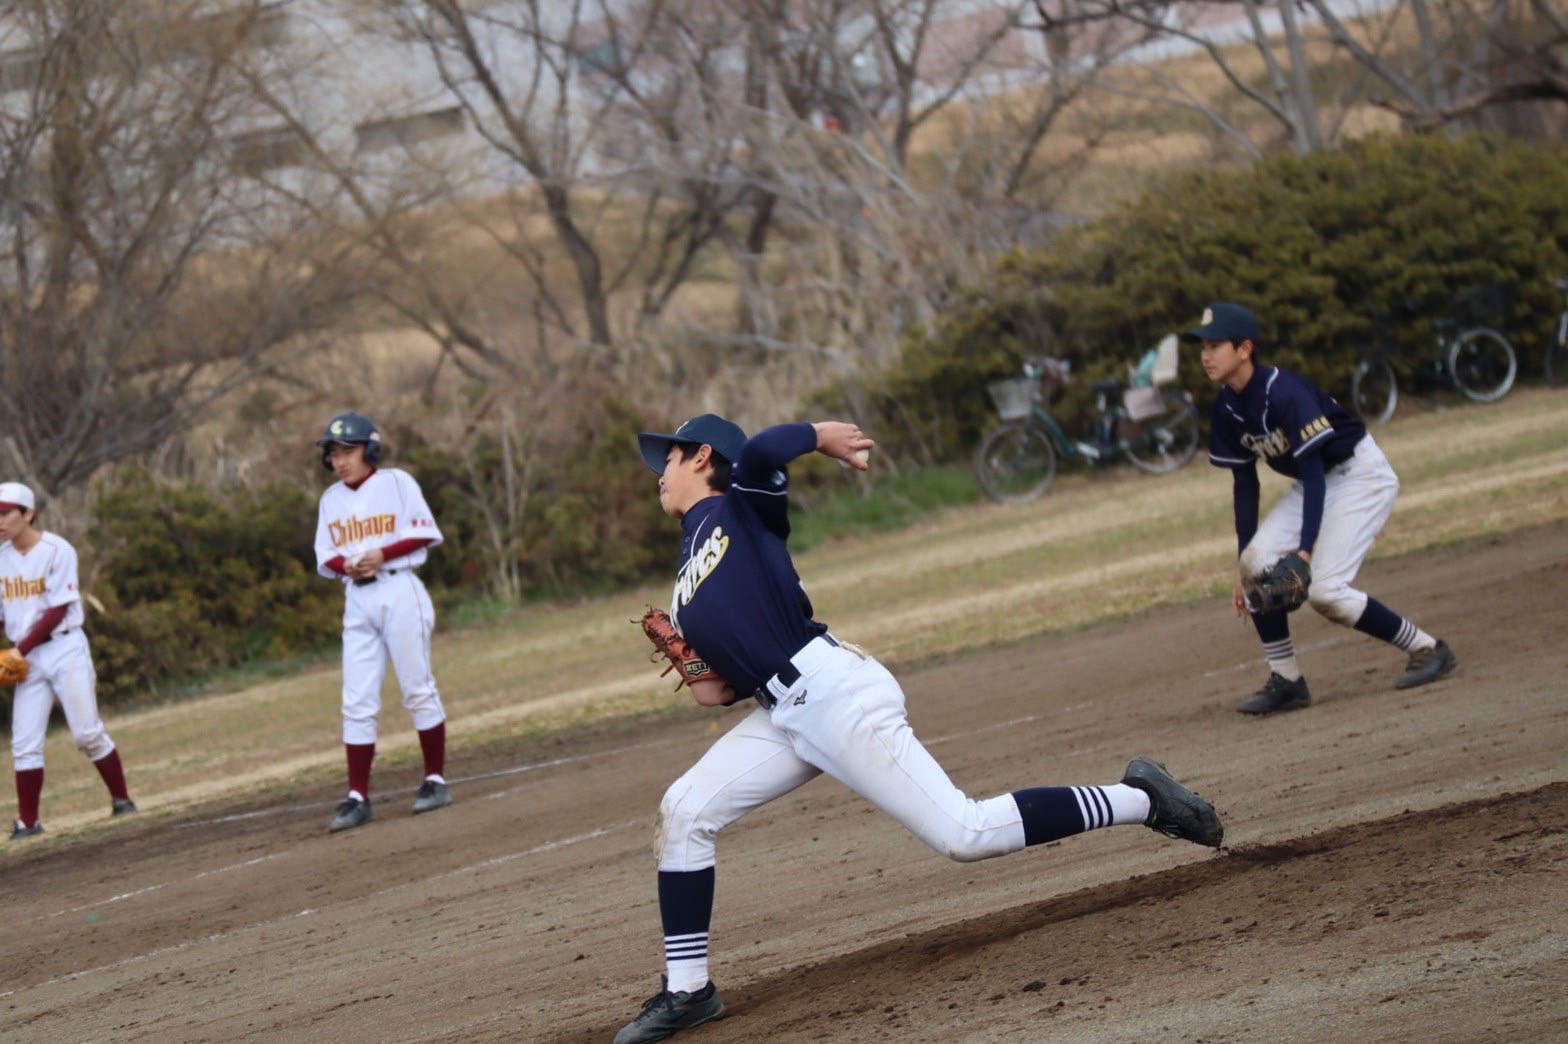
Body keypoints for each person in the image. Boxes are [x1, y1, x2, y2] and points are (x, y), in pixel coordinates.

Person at [612, 413, 1224, 1044]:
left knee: (965, 832)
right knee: (684, 811)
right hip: (781, 713)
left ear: (703, 456)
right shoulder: (685, 571)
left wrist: (822, 435)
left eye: (670, 457)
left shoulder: (743, 508)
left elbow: (766, 448)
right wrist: (692, 667)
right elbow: (719, 691)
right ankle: (689, 992)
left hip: (833, 693)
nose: (660, 471)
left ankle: (1141, 796)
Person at [1189, 302, 1458, 715]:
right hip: (1318, 483)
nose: (1206, 355)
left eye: (1215, 345)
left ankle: (1428, 648)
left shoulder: (1285, 391)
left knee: (1326, 592)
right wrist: (1242, 568)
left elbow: (1313, 473)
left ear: (1245, 349)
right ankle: (1288, 681)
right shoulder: (1225, 408)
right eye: (1202, 347)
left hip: (1360, 474)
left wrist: (1304, 552)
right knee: (1256, 560)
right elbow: (1245, 485)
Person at [312, 412, 452, 832]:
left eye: (349, 451)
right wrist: (348, 565)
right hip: (357, 599)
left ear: (369, 450)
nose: (341, 461)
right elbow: (326, 556)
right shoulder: (330, 500)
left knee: (417, 688)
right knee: (356, 700)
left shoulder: (396, 483)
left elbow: (424, 532)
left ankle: (435, 780)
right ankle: (357, 795)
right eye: (334, 453)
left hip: (399, 590)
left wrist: (381, 555)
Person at [0, 482, 136, 840]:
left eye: (5, 512)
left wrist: (20, 649)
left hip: (64, 648)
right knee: (25, 744)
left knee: (86, 733)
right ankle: (29, 823)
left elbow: (58, 609)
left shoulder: (57, 550)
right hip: (26, 658)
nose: (0, 520)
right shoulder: (1, 558)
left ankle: (122, 800)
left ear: (28, 514)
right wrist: (17, 649)